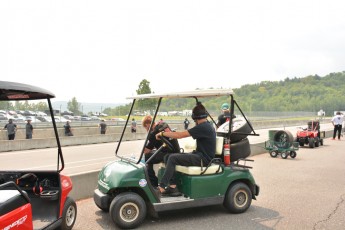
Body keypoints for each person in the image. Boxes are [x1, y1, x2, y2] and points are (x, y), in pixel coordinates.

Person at [156, 102, 216, 196]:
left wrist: (162, 134)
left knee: (172, 158)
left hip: (203, 159)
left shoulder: (203, 127)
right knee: (168, 156)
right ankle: (173, 187)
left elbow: (180, 135)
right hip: (199, 155)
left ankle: (161, 187)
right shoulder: (206, 125)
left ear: (194, 117)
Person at [142, 115, 180, 188]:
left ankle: (153, 182)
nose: (146, 129)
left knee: (147, 157)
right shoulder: (162, 126)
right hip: (175, 151)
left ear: (147, 125)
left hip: (168, 154)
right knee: (151, 155)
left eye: (145, 127)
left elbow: (147, 150)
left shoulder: (153, 134)